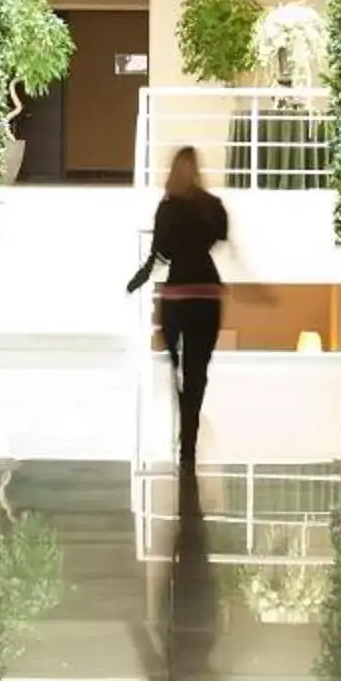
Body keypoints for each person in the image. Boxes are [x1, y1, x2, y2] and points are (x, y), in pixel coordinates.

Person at [128, 145, 229, 468]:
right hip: (208, 295)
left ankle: (186, 417)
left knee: (178, 369)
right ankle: (190, 435)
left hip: (177, 296)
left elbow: (160, 254)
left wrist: (138, 280)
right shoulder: (212, 206)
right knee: (197, 370)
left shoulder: (167, 207)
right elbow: (218, 237)